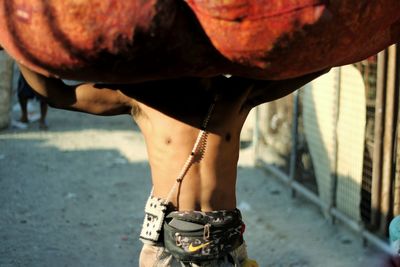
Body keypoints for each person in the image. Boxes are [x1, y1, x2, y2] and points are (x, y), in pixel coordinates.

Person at [18, 63, 326, 266]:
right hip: (167, 248)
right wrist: (13, 41)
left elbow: (317, 66)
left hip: (226, 244)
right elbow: (57, 94)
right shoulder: (143, 98)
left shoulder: (237, 94)